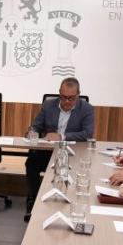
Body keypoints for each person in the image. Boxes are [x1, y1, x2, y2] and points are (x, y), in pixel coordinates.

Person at [23, 77, 95, 217]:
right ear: (59, 93)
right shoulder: (48, 105)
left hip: (72, 154)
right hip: (48, 151)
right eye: (64, 97)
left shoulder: (86, 109)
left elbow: (87, 134)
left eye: (71, 98)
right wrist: (32, 132)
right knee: (31, 162)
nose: (67, 101)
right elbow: (36, 126)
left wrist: (61, 136)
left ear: (78, 94)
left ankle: (70, 205)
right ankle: (33, 199)